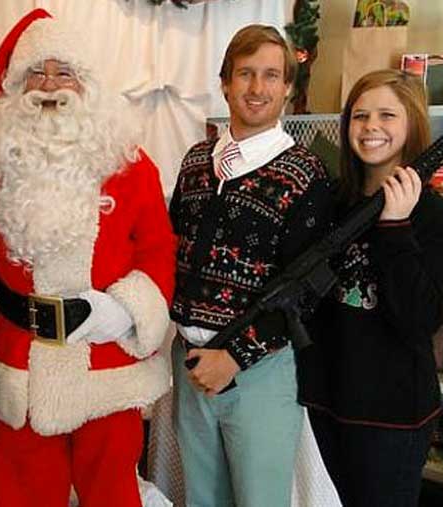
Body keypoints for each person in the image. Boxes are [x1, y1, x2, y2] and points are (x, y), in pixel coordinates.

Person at [0, 10, 176, 507]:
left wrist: (123, 311)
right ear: (17, 87)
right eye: (37, 73)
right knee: (21, 495)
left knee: (112, 494)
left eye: (64, 73)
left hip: (105, 363)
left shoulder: (130, 163)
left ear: (87, 85)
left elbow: (158, 249)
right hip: (21, 361)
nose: (50, 85)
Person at [168, 24, 334, 507]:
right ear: (225, 82)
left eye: (270, 76)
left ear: (287, 87)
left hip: (257, 370)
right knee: (202, 498)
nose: (257, 88)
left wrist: (236, 355)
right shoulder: (197, 162)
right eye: (245, 74)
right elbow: (173, 247)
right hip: (191, 363)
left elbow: (306, 288)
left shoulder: (305, 172)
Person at [300, 69, 443, 507]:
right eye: (360, 115)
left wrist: (394, 227)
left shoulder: (434, 216)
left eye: (387, 114)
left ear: (412, 125)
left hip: (392, 416)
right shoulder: (332, 202)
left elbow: (420, 319)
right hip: (323, 402)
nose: (371, 126)